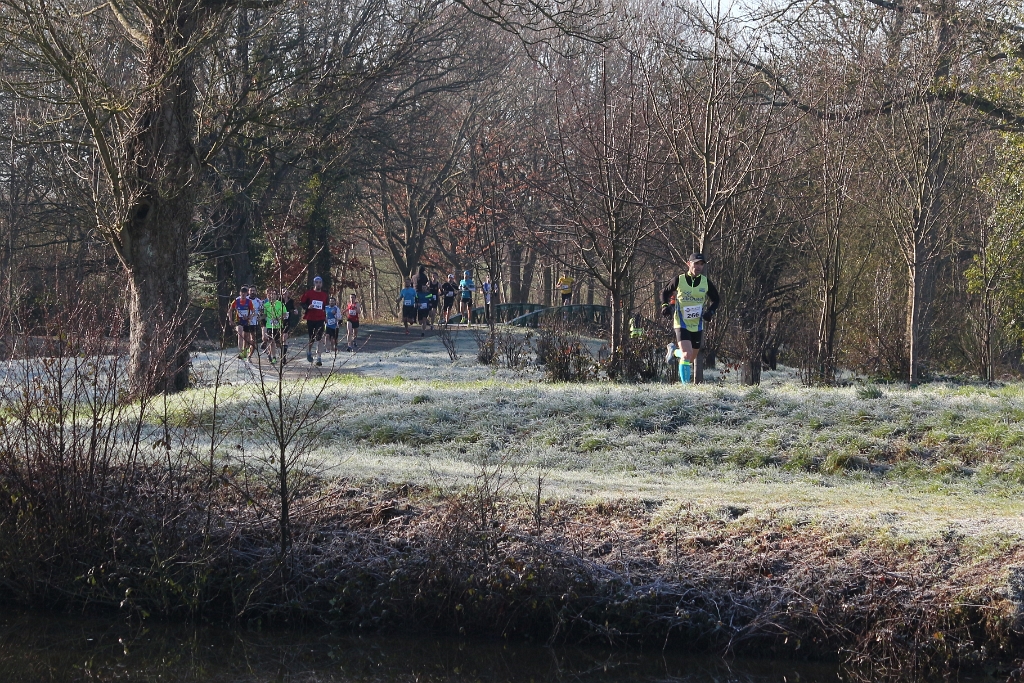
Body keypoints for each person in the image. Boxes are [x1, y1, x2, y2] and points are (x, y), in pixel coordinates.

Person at [661, 253, 720, 384]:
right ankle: (685, 387)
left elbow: (716, 299)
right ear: (689, 264)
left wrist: (710, 312)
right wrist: (665, 306)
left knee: (690, 358)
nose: (698, 267)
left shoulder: (705, 282)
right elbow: (665, 292)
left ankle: (674, 352)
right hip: (681, 322)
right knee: (687, 354)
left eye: (701, 264)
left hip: (697, 324)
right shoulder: (679, 279)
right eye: (696, 263)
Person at [300, 276, 330, 366]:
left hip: (320, 318)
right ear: (314, 283)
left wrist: (326, 317)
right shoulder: (309, 293)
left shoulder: (324, 295)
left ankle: (319, 358)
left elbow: (325, 307)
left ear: (322, 284)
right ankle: (309, 351)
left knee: (319, 338)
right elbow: (302, 303)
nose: (318, 284)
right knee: (312, 338)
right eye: (316, 282)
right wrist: (307, 307)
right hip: (311, 318)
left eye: (320, 282)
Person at [228, 286, 256, 360]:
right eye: (242, 293)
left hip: (246, 321)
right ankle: (240, 352)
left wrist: (249, 317)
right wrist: (230, 320)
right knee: (240, 334)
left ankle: (245, 351)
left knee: (246, 337)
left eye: (245, 293)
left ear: (247, 294)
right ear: (240, 293)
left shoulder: (249, 302)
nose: (243, 294)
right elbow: (230, 310)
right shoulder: (236, 301)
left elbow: (253, 312)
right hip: (238, 321)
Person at [263, 288, 287, 364]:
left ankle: (282, 355)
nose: (272, 295)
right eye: (270, 294)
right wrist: (259, 317)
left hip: (278, 326)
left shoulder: (280, 304)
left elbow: (285, 314)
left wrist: (279, 317)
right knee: (271, 341)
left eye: (274, 294)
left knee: (278, 343)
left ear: (277, 295)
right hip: (270, 325)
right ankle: (274, 357)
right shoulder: (266, 305)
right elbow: (264, 315)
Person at [282, 288, 298, 354]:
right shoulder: (279, 300)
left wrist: (295, 311)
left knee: (285, 337)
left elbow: (293, 308)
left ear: (288, 293)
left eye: (286, 291)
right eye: (283, 291)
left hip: (287, 320)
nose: (285, 292)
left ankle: (284, 355)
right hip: (279, 320)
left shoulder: (291, 301)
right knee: (279, 339)